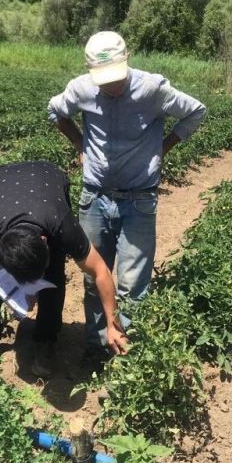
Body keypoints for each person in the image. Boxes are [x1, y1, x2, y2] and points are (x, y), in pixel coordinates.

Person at [48, 31, 206, 356]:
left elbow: (196, 111)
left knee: (133, 284)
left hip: (139, 199)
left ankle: (125, 349)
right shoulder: (81, 88)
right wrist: (80, 144)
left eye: (116, 78)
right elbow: (55, 112)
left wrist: (164, 147)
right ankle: (96, 345)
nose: (111, 87)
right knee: (94, 277)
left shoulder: (152, 88)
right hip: (95, 197)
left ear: (127, 59)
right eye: (103, 81)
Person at [0, 160, 128, 377]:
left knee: (53, 277)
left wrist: (113, 325)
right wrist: (14, 291)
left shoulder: (62, 226)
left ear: (45, 240)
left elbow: (101, 271)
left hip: (49, 177)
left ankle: (45, 339)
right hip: (2, 179)